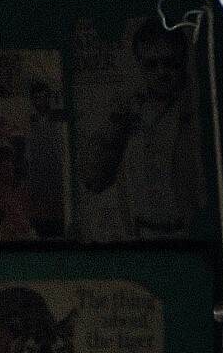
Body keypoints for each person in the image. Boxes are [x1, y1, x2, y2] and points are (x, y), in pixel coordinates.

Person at [76, 20, 202, 240]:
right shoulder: (130, 115)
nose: (162, 72)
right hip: (141, 235)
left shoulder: (192, 114)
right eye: (152, 65)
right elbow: (94, 180)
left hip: (187, 235)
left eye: (170, 63)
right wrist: (116, 125)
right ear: (140, 66)